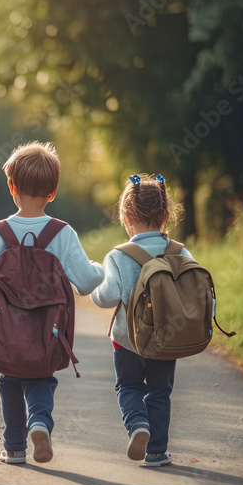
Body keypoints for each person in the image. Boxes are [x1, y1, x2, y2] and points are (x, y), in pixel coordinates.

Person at [0, 141, 104, 464]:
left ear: (11, 186)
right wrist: (100, 269)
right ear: (54, 191)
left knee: (9, 380)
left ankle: (14, 448)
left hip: (3, 332)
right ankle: (40, 421)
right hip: (47, 332)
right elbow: (86, 282)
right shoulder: (61, 233)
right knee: (41, 377)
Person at [90, 173, 187, 467]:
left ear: (126, 216)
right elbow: (197, 292)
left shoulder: (118, 256)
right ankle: (156, 451)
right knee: (160, 393)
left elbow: (106, 297)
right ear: (166, 215)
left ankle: (137, 425)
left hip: (127, 341)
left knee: (129, 387)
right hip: (166, 340)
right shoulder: (180, 252)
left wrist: (95, 280)